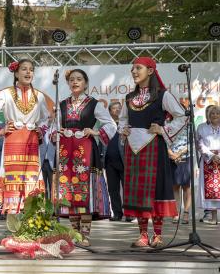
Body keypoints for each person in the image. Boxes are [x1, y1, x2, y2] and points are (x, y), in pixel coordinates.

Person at [119, 57, 187, 248]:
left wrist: (163, 130)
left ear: (150, 71)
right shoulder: (129, 98)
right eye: (132, 69)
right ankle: (142, 235)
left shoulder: (162, 95)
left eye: (138, 68)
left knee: (156, 188)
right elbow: (123, 119)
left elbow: (182, 116)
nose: (134, 72)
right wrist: (123, 129)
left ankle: (157, 235)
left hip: (154, 147)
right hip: (133, 149)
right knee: (138, 191)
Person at [0, 59, 52, 214]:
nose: (28, 72)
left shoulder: (39, 96)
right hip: (13, 139)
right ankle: (13, 227)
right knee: (12, 178)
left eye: (31, 69)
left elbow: (46, 117)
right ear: (16, 73)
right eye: (24, 69)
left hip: (31, 142)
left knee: (31, 179)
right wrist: (0, 130)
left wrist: (40, 130)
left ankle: (31, 224)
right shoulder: (6, 94)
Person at [57, 69, 116, 247]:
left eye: (79, 79)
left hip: (86, 152)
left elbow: (111, 124)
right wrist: (55, 132)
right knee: (69, 192)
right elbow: (53, 127)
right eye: (72, 79)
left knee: (85, 193)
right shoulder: (62, 105)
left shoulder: (94, 104)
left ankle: (85, 235)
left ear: (85, 83)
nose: (75, 82)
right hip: (66, 153)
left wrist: (96, 132)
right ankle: (74, 234)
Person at [197, 105, 220, 225]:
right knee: (212, 191)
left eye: (217, 113)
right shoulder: (201, 128)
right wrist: (212, 156)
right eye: (212, 113)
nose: (215, 115)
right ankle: (214, 218)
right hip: (208, 160)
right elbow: (200, 145)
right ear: (208, 116)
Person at [103, 101, 125, 222]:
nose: (117, 110)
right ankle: (117, 213)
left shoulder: (126, 124)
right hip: (109, 162)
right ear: (110, 111)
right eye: (114, 108)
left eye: (119, 108)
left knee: (126, 188)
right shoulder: (106, 125)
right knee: (113, 189)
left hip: (123, 161)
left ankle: (130, 213)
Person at [168, 124, 191, 225]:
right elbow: (164, 142)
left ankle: (186, 212)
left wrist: (179, 153)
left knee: (186, 186)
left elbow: (192, 143)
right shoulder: (167, 124)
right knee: (175, 186)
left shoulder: (188, 125)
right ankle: (175, 213)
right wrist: (172, 155)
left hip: (186, 156)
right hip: (172, 158)